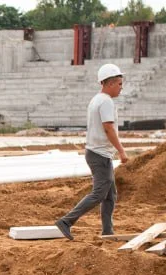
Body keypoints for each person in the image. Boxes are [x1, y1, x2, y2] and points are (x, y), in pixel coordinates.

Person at [55, 63, 130, 240]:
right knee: (99, 194)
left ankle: (107, 231)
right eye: (119, 83)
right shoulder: (106, 102)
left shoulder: (97, 99)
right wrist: (121, 151)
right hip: (99, 154)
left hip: (97, 152)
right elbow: (108, 128)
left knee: (110, 195)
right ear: (110, 83)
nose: (121, 87)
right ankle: (66, 221)